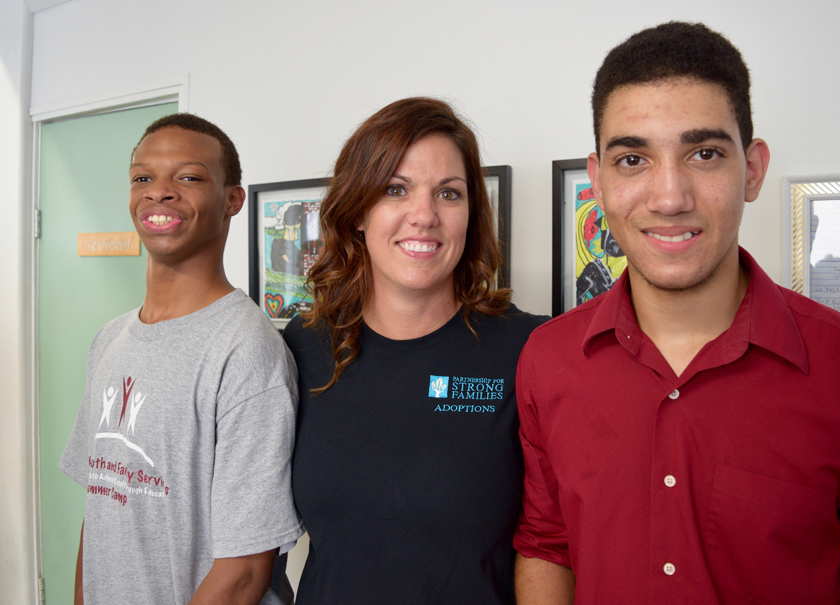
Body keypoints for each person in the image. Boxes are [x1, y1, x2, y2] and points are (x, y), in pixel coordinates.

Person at [513, 21, 840, 604]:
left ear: (752, 169)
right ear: (598, 182)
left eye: (704, 154)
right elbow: (548, 544)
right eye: (633, 159)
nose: (670, 197)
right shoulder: (548, 360)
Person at [282, 97, 546, 604]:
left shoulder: (526, 350)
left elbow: (557, 542)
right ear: (357, 212)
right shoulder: (303, 344)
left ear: (470, 215)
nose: (424, 216)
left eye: (448, 193)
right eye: (395, 189)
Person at [59, 114, 302, 605]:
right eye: (142, 178)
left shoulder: (246, 350)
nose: (158, 192)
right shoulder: (109, 339)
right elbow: (102, 510)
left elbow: (244, 573)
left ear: (232, 199)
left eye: (188, 177)